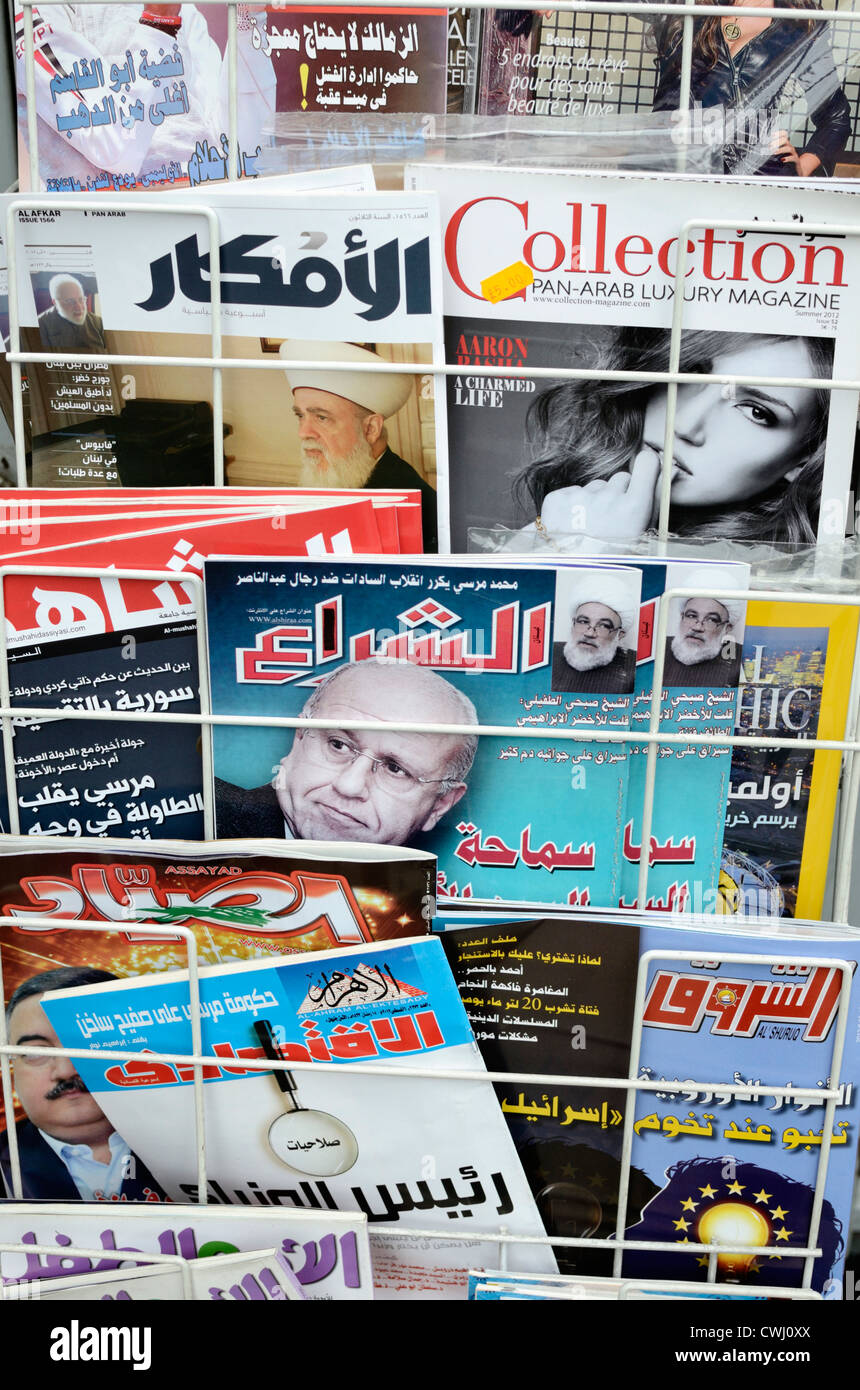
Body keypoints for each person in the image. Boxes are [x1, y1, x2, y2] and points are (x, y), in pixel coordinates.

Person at [515, 327, 834, 547]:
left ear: (804, 459)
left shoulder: (780, 580)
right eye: (690, 371)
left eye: (756, 411)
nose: (683, 425)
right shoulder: (574, 506)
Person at [215, 659, 479, 846]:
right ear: (300, 736)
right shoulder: (205, 819)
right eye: (338, 745)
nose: (349, 785)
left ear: (440, 805)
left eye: (395, 769)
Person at [16, 3, 275, 188]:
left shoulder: (184, 10)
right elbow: (114, 148)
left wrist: (247, 19)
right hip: (110, 228)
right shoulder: (33, 9)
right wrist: (159, 21)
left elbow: (243, 150)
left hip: (211, 216)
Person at [0, 966, 166, 1202]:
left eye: (87, 1046)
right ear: (11, 1066)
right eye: (36, 1051)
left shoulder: (203, 1145)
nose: (66, 1071)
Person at [648, 0, 850, 178]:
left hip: (755, 178)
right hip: (681, 167)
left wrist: (802, 167)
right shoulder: (690, 8)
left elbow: (836, 118)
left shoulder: (797, 26)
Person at [280, 340, 438, 551]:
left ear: (371, 429)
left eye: (321, 418)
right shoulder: (340, 477)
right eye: (300, 415)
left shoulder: (414, 506)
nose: (303, 432)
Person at [552, 575, 637, 694]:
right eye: (583, 621)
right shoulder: (549, 655)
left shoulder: (634, 668)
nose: (589, 633)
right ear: (573, 624)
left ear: (620, 634)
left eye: (604, 626)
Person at [662, 593, 743, 687]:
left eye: (712, 620)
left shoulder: (741, 658)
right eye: (691, 616)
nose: (697, 627)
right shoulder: (659, 647)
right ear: (681, 617)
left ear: (727, 628)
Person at [36, 274, 107, 353]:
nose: (79, 307)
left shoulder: (98, 322)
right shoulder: (41, 325)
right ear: (55, 302)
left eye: (81, 299)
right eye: (70, 301)